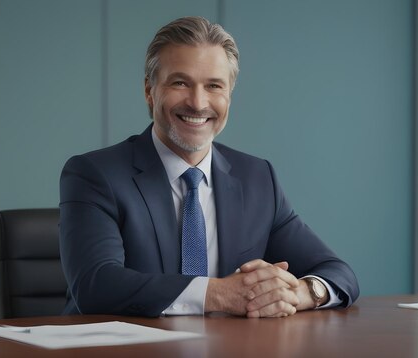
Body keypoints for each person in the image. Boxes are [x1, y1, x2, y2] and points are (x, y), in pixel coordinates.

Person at [59, 16, 359, 318]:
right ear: (150, 91)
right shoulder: (95, 175)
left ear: (229, 96)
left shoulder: (257, 178)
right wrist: (218, 293)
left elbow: (338, 272)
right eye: (180, 83)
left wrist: (302, 293)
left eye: (214, 86)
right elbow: (95, 285)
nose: (198, 102)